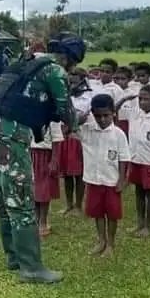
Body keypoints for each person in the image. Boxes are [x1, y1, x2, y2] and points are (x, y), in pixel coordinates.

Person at [0, 32, 82, 284]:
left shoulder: (25, 60)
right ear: (70, 58)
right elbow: (65, 108)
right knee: (21, 197)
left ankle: (13, 256)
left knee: (2, 196)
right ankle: (32, 268)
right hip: (11, 132)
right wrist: (76, 123)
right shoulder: (54, 71)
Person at [80, 94, 130, 257]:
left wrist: (122, 180)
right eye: (97, 116)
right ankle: (101, 240)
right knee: (97, 213)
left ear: (113, 113)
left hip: (111, 181)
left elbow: (124, 159)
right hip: (93, 180)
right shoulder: (87, 130)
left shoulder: (118, 134)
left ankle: (110, 243)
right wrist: (84, 114)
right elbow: (67, 128)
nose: (102, 119)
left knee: (112, 214)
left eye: (106, 115)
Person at [117, 84, 150, 237]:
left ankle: (148, 226)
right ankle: (139, 223)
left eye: (147, 99)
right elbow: (114, 110)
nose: (142, 102)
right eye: (140, 99)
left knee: (149, 193)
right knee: (138, 192)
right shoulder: (134, 114)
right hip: (135, 159)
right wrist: (125, 98)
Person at [59, 68, 90, 216]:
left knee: (78, 175)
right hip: (65, 139)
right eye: (70, 78)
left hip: (79, 139)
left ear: (83, 79)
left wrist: (71, 123)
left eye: (75, 77)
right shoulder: (64, 97)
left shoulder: (88, 97)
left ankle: (78, 206)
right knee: (66, 174)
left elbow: (85, 118)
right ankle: (69, 204)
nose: (72, 81)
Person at [31, 122, 63, 237]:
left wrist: (54, 160)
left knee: (44, 189)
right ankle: (36, 218)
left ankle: (43, 221)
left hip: (45, 154)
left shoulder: (52, 113)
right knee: (34, 188)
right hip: (31, 152)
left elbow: (57, 139)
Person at [113, 66, 135, 136]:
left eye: (123, 79)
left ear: (129, 79)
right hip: (114, 122)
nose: (119, 81)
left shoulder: (133, 93)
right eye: (117, 78)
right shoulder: (111, 91)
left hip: (128, 123)